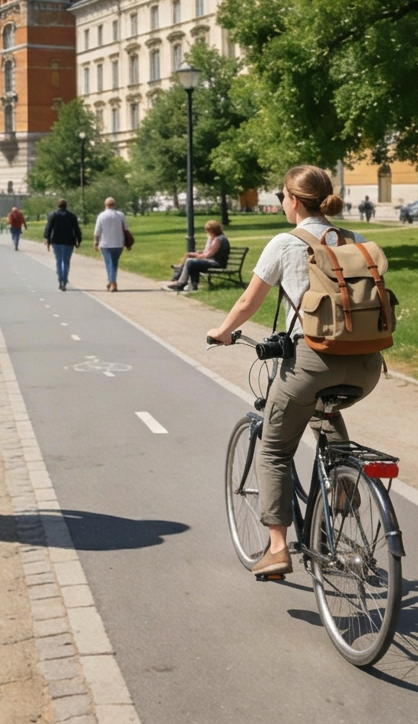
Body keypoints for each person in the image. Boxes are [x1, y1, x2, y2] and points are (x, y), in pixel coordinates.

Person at [207, 165, 383, 576]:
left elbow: (248, 303)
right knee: (326, 411)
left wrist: (221, 332)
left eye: (281, 196)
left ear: (292, 199)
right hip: (366, 365)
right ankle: (341, 485)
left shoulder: (286, 243)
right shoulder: (354, 241)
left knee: (274, 449)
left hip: (310, 362)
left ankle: (277, 548)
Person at [165, 220, 229, 292]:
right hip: (214, 261)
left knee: (190, 261)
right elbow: (209, 252)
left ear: (212, 230)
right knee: (191, 261)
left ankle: (181, 283)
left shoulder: (218, 239)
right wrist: (196, 255)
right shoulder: (220, 238)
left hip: (217, 263)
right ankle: (192, 284)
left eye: (208, 231)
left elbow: (208, 255)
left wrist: (196, 256)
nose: (207, 232)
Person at [43, 198, 81, 291]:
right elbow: (76, 229)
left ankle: (60, 280)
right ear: (66, 205)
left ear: (58, 205)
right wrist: (78, 239)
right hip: (68, 241)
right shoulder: (71, 216)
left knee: (59, 261)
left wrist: (47, 238)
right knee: (66, 262)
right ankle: (64, 279)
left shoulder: (53, 215)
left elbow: (49, 227)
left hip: (56, 241)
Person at [93, 197, 129, 291]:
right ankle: (111, 281)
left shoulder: (101, 216)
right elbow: (126, 229)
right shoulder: (120, 215)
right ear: (114, 204)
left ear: (105, 205)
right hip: (118, 243)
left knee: (109, 263)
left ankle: (113, 283)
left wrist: (96, 242)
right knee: (113, 263)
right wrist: (126, 241)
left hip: (105, 243)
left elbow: (97, 231)